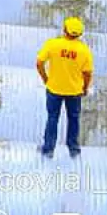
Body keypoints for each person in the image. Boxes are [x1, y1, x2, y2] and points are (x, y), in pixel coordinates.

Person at [37, 16, 94, 159]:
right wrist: (85, 88)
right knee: (73, 119)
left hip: (54, 89)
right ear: (80, 34)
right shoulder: (84, 50)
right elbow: (87, 73)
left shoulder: (53, 44)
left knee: (52, 118)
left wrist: (46, 79)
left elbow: (39, 63)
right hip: (74, 91)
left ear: (64, 30)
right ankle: (74, 149)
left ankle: (48, 149)